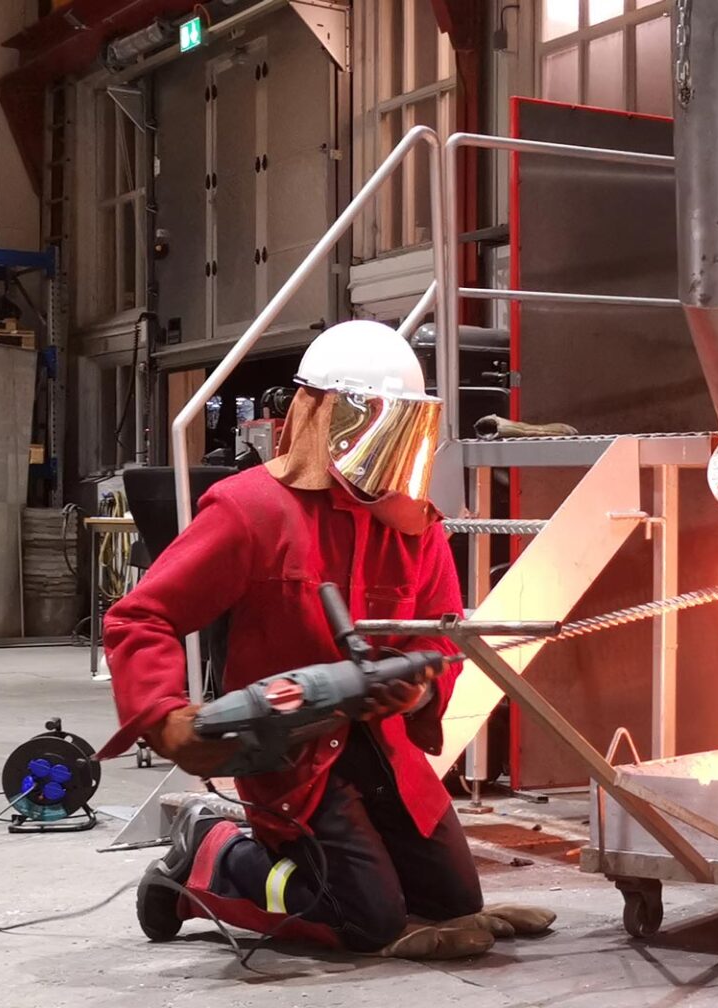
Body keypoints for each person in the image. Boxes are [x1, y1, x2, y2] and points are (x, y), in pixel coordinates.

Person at [97, 320, 551, 959]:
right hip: (292, 755)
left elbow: (444, 642)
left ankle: (363, 890)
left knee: (453, 902)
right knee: (362, 920)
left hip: (385, 751)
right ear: (319, 412)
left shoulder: (414, 528)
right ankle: (210, 857)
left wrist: (418, 691)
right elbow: (141, 618)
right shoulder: (251, 510)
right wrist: (164, 716)